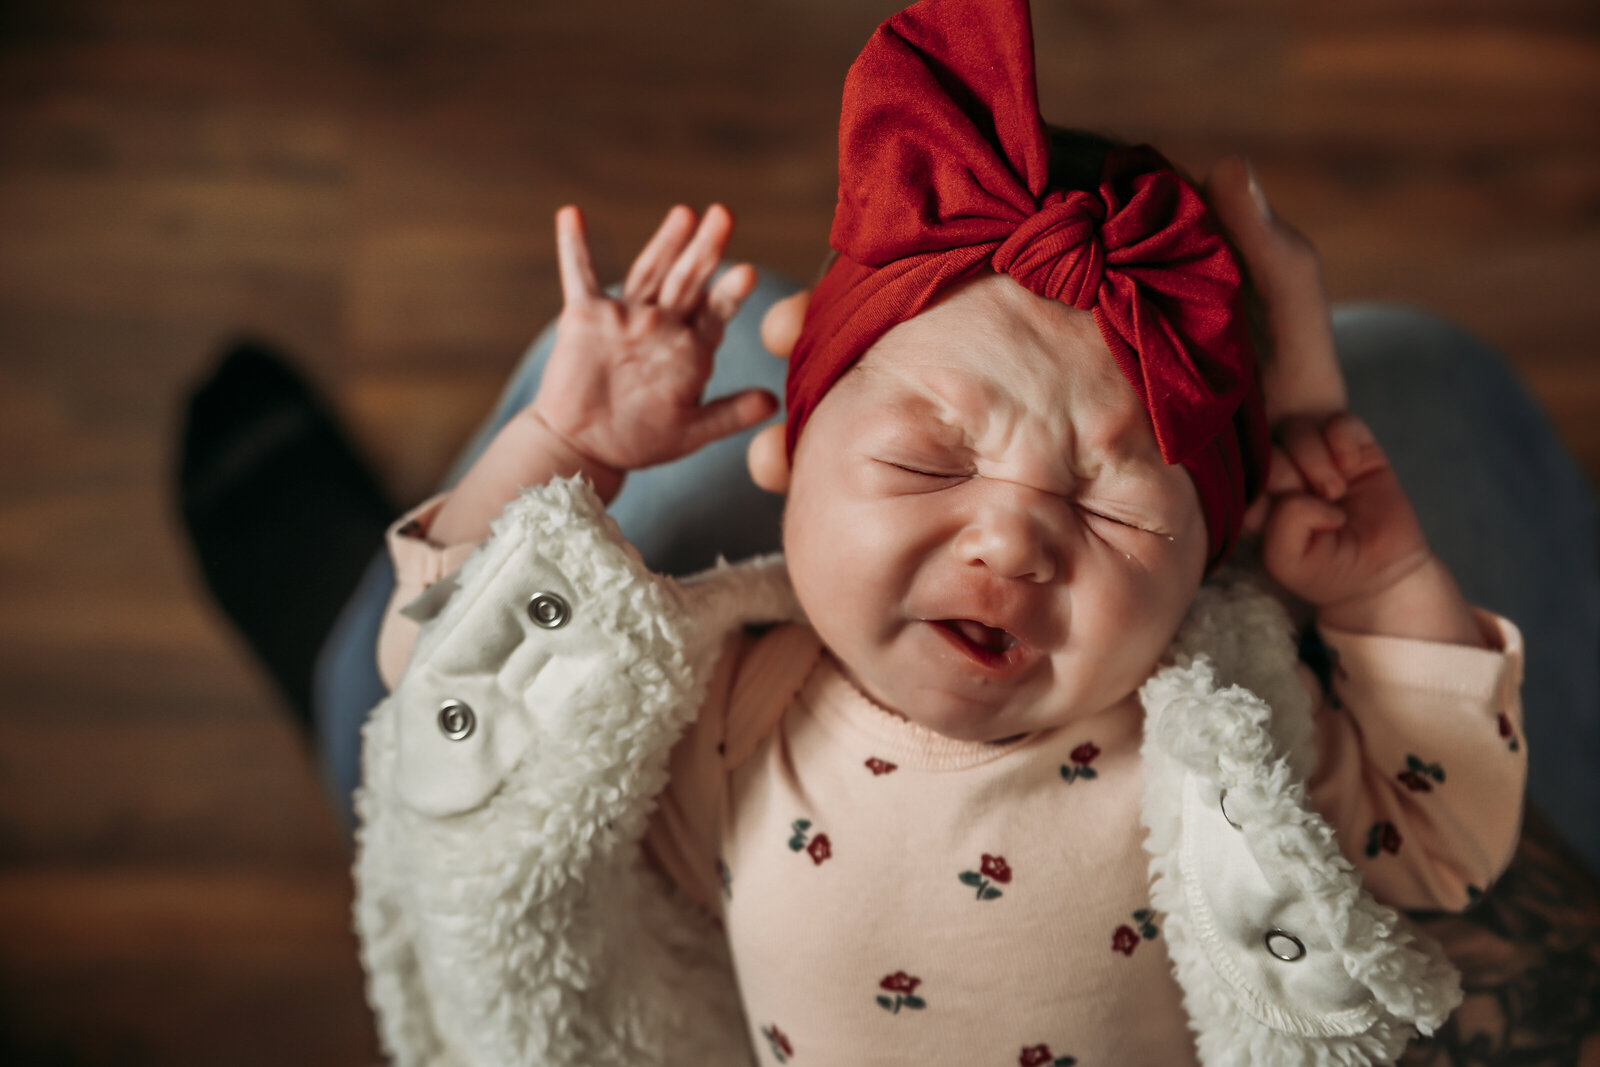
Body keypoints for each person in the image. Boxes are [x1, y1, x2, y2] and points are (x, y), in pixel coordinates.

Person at [344, 3, 1567, 1063]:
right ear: (794, 459)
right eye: (930, 454)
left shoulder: (1221, 737)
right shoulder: (725, 708)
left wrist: (1385, 584)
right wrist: (566, 446)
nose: (1016, 541)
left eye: (1110, 500)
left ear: (1211, 557)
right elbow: (449, 691)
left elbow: (1441, 840)